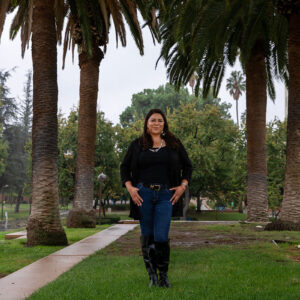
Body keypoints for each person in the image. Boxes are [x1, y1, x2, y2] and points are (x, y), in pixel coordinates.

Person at [120, 108, 192, 288]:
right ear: (146, 123)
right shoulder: (137, 145)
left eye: (160, 120)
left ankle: (164, 276)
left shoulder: (174, 144)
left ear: (164, 124)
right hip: (142, 195)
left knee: (161, 236)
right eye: (153, 120)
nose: (156, 123)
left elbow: (188, 166)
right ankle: (152, 276)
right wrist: (130, 188)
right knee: (147, 235)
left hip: (166, 195)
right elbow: (124, 167)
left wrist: (182, 187)